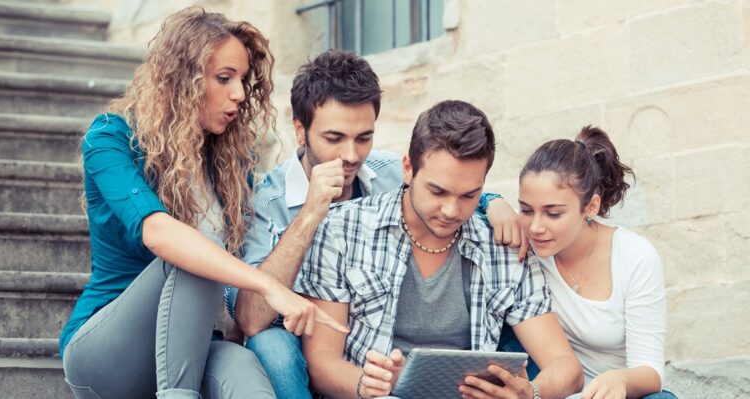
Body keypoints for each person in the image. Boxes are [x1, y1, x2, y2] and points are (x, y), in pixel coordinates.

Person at [59, 8, 345, 399]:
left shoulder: (229, 165)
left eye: (243, 80)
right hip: (106, 355)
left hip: (193, 347)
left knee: (245, 372)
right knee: (194, 255)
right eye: (224, 78)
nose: (240, 94)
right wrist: (269, 286)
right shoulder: (110, 139)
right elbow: (160, 234)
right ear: (182, 79)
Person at [224, 51, 528, 399]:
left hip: (378, 339)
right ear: (300, 131)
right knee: (272, 345)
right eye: (334, 138)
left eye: (364, 138)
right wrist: (309, 214)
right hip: (301, 342)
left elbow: (445, 186)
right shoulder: (268, 200)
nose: (352, 155)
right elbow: (250, 319)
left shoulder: (386, 170)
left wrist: (492, 202)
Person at [295, 100, 584, 399]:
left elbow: (566, 367)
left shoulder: (503, 248)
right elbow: (321, 364)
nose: (451, 210)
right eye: (438, 191)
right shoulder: (343, 229)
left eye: (469, 195)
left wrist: (531, 392)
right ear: (408, 169)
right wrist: (368, 385)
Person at [517, 126, 675, 399]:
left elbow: (651, 371)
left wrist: (620, 380)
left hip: (618, 393)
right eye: (526, 210)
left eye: (553, 213)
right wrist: (493, 203)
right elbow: (469, 205)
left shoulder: (635, 255)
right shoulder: (525, 247)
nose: (535, 227)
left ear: (590, 207)